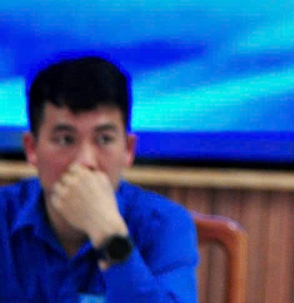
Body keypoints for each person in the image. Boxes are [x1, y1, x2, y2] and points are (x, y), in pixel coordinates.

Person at [0, 56, 198, 302]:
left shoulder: (165, 224)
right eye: (65, 140)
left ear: (128, 149)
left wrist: (109, 235)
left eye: (104, 139)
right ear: (31, 148)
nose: (85, 161)